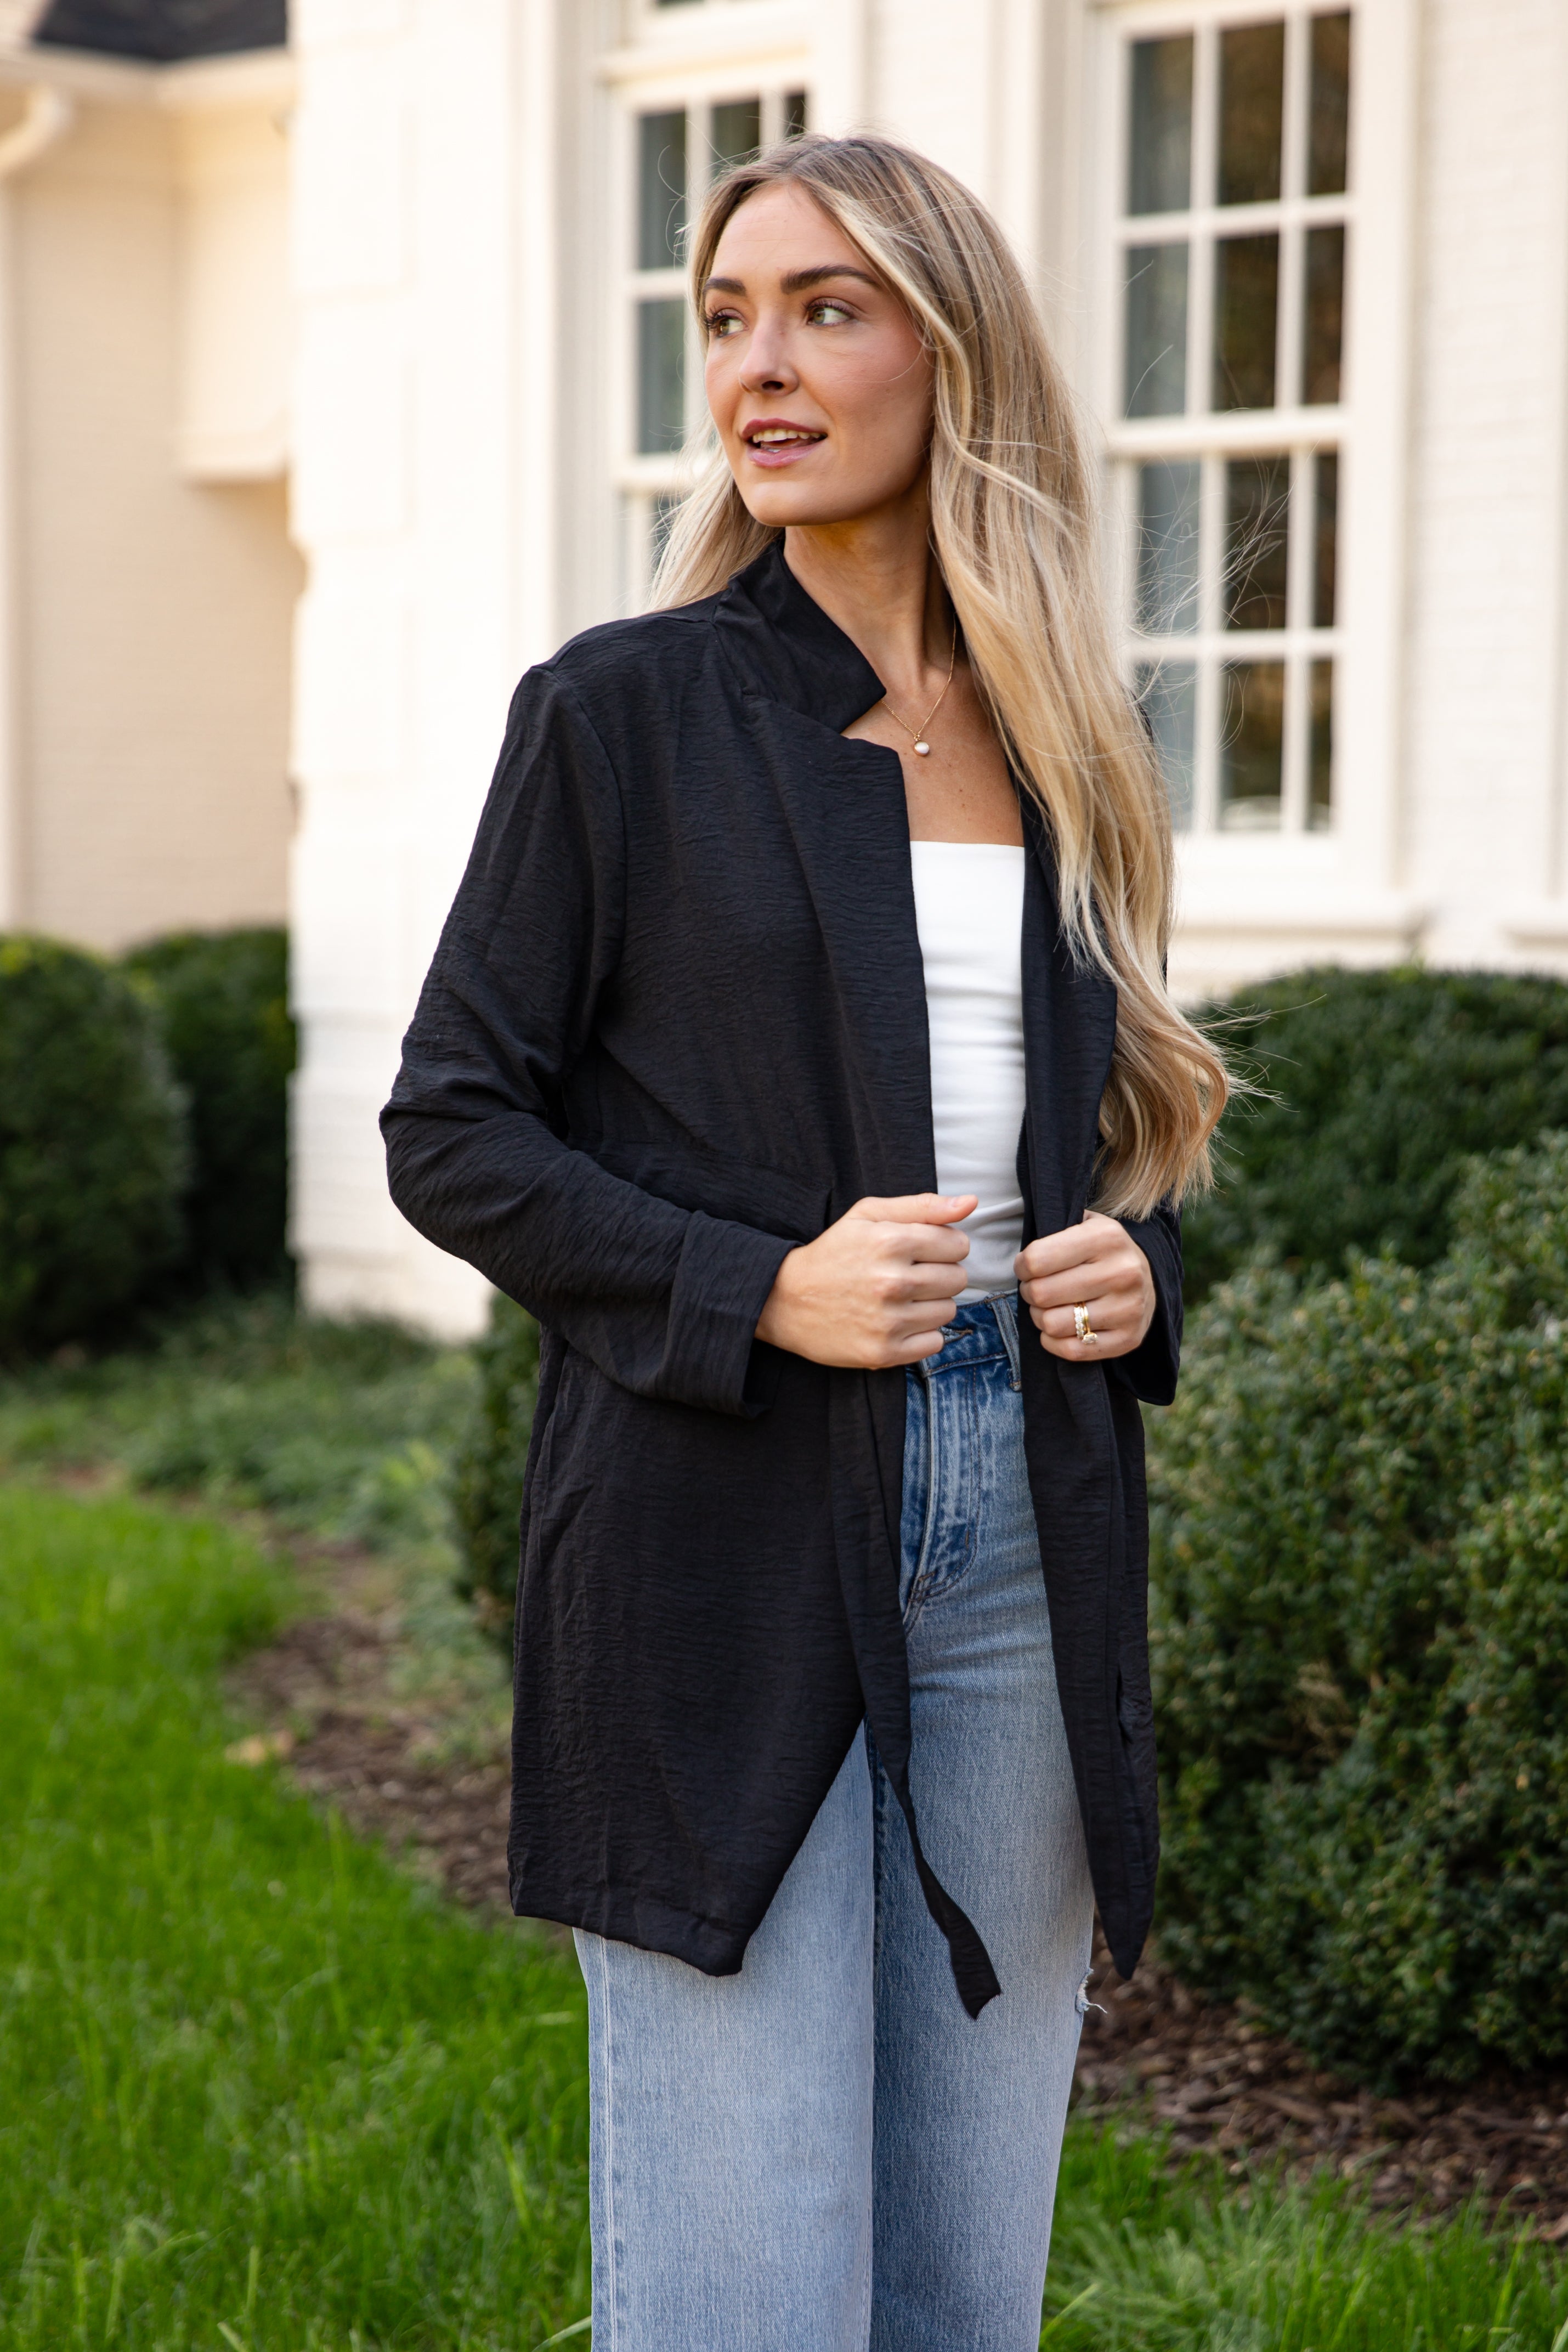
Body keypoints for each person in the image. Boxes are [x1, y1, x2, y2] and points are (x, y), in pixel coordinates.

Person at [383, 130, 1227, 2352]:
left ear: (954, 361)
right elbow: (450, 1126)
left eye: (824, 310)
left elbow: (1105, 1125)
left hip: (1021, 1532)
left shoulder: (1057, 739)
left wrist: (1131, 1278)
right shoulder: (621, 717)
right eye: (728, 316)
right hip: (715, 1527)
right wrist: (755, 1283)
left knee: (963, 2295)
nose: (759, 366)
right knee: (753, 2292)